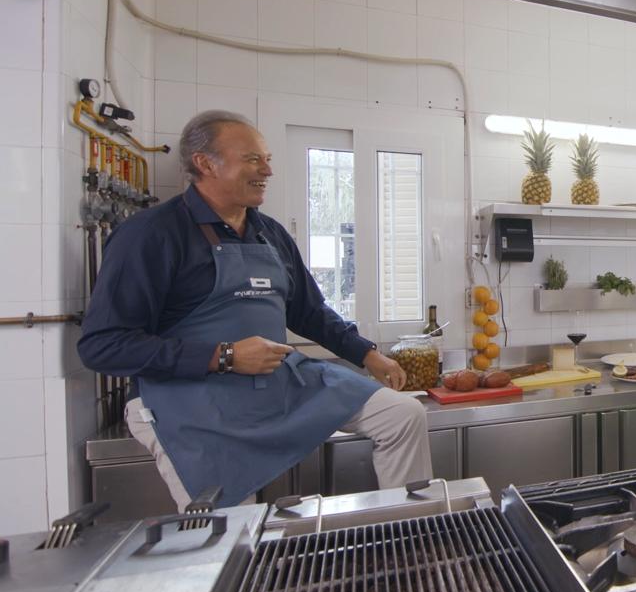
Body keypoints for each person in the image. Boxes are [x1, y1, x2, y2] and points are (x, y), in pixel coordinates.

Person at [78, 110, 431, 509]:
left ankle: (410, 533)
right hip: (189, 403)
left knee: (402, 415)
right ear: (205, 163)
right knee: (233, 532)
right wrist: (224, 356)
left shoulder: (270, 234)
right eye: (252, 159)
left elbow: (309, 312)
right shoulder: (150, 235)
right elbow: (103, 346)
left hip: (273, 385)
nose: (267, 170)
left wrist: (368, 355)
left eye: (267, 159)